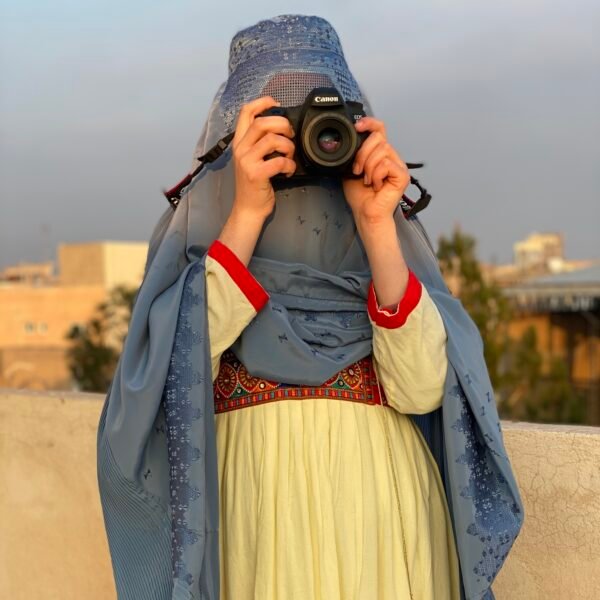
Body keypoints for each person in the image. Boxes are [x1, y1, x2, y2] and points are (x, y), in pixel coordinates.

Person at [97, 14, 524, 600]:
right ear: (234, 130)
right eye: (280, 114)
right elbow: (166, 381)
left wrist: (378, 227)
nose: (304, 136)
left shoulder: (386, 242)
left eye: (322, 115)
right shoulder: (199, 239)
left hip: (384, 514)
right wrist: (245, 211)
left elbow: (424, 389)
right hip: (254, 514)